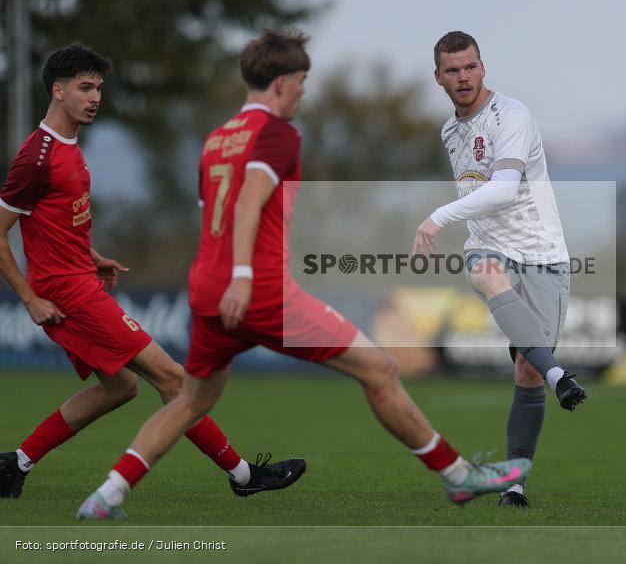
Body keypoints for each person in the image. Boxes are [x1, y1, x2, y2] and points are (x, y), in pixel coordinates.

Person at [77, 29, 530, 520]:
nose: (304, 91)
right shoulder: (277, 133)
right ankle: (458, 476)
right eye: (300, 81)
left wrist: (230, 276)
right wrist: (247, 275)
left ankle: (107, 494)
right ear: (279, 84)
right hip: (259, 292)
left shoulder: (218, 138)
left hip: (208, 288)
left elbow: (212, 213)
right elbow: (249, 201)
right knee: (379, 370)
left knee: (191, 398)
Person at [0, 45, 304, 507]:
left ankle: (14, 464)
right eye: (85, 87)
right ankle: (244, 476)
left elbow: (51, 220)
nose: (95, 96)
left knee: (122, 386)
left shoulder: (69, 146)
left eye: (99, 87)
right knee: (172, 377)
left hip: (78, 277)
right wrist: (28, 297)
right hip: (65, 293)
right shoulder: (38, 156)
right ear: (57, 91)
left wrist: (91, 252)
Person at [412, 31, 587, 509]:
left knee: (527, 371)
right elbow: (478, 197)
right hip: (489, 246)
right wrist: (455, 221)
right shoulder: (450, 131)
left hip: (543, 252)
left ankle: (514, 486)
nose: (462, 77)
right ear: (438, 78)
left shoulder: (513, 116)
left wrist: (437, 217)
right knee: (485, 271)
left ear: (483, 68)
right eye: (452, 70)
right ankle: (561, 378)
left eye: (469, 67)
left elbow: (506, 188)